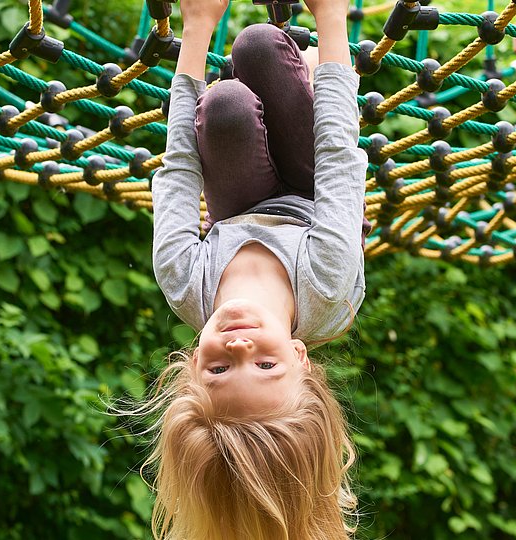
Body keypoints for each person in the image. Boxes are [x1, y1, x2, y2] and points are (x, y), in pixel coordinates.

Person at [143, 0, 368, 537]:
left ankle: (259, 88)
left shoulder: (183, 282)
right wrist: (335, 21)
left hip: (237, 202)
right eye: (266, 367)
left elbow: (177, 169)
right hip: (316, 196)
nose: (240, 350)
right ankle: (303, 73)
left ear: (194, 364)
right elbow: (340, 155)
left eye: (219, 372)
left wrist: (195, 30)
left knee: (224, 106)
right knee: (259, 45)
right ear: (299, 357)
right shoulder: (328, 283)